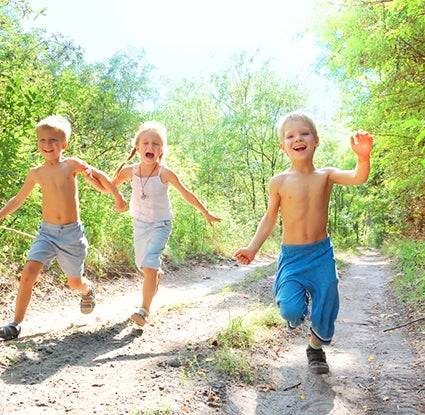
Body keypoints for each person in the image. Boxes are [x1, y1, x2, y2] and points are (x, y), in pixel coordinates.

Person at [233, 110, 373, 374]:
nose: (298, 139)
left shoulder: (326, 175)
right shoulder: (279, 181)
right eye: (290, 136)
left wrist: (362, 156)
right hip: (293, 257)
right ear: (283, 146)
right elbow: (270, 217)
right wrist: (252, 248)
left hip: (321, 255)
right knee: (290, 310)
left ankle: (315, 348)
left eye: (304, 133)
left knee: (327, 301)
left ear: (316, 140)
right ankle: (296, 313)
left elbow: (358, 177)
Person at [0, 115, 127, 340]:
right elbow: (18, 199)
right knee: (29, 271)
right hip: (47, 233)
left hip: (71, 235)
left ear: (64, 144)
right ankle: (15, 324)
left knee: (74, 282)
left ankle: (87, 290)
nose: (47, 145)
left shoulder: (72, 165)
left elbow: (101, 177)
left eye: (53, 141)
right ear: (38, 143)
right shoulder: (36, 173)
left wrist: (117, 196)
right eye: (42, 140)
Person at [112, 121, 222, 326]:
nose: (150, 147)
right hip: (140, 224)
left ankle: (144, 311)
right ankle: (156, 275)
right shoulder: (130, 171)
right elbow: (109, 185)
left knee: (149, 262)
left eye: (156, 144)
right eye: (145, 143)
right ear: (137, 148)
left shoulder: (165, 173)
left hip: (161, 224)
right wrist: (116, 196)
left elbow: (186, 194)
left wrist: (205, 212)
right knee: (143, 266)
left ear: (161, 150)